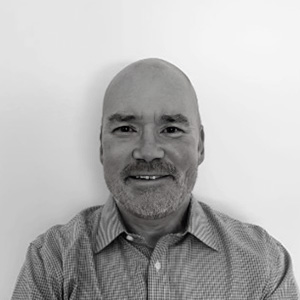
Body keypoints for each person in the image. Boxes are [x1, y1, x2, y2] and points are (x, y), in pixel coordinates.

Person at [12, 58, 299, 299]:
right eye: (125, 128)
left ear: (199, 146)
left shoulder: (264, 263)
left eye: (171, 129)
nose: (148, 151)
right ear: (102, 147)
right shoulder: (52, 261)